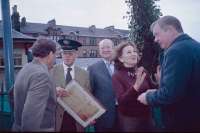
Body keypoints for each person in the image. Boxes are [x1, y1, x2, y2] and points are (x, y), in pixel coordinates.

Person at [137, 15, 200, 131]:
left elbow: (171, 94)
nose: (155, 39)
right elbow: (185, 86)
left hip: (183, 122)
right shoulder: (195, 46)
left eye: (157, 34)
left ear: (170, 30)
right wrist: (158, 91)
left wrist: (148, 97)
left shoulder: (175, 51)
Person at [12, 37, 57, 131]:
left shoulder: (26, 67)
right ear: (51, 54)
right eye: (55, 54)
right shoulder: (42, 75)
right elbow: (31, 116)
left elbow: (11, 94)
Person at [112, 41, 155, 132]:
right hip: (130, 121)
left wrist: (160, 81)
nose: (134, 54)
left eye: (134, 51)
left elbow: (153, 89)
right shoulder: (117, 76)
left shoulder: (142, 71)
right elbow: (122, 101)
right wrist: (136, 87)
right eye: (129, 52)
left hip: (148, 116)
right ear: (121, 58)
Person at [50, 38, 91, 132]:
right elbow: (44, 93)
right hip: (57, 119)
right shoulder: (51, 71)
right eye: (64, 53)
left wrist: (89, 115)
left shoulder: (84, 74)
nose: (67, 56)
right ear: (61, 54)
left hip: (77, 120)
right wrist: (54, 90)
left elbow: (88, 97)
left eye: (70, 54)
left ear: (76, 55)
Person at [87, 39, 118, 132]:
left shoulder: (121, 65)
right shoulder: (92, 68)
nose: (105, 50)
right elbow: (89, 93)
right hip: (103, 116)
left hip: (123, 113)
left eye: (108, 47)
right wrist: (91, 114)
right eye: (102, 48)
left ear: (113, 48)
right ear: (99, 51)